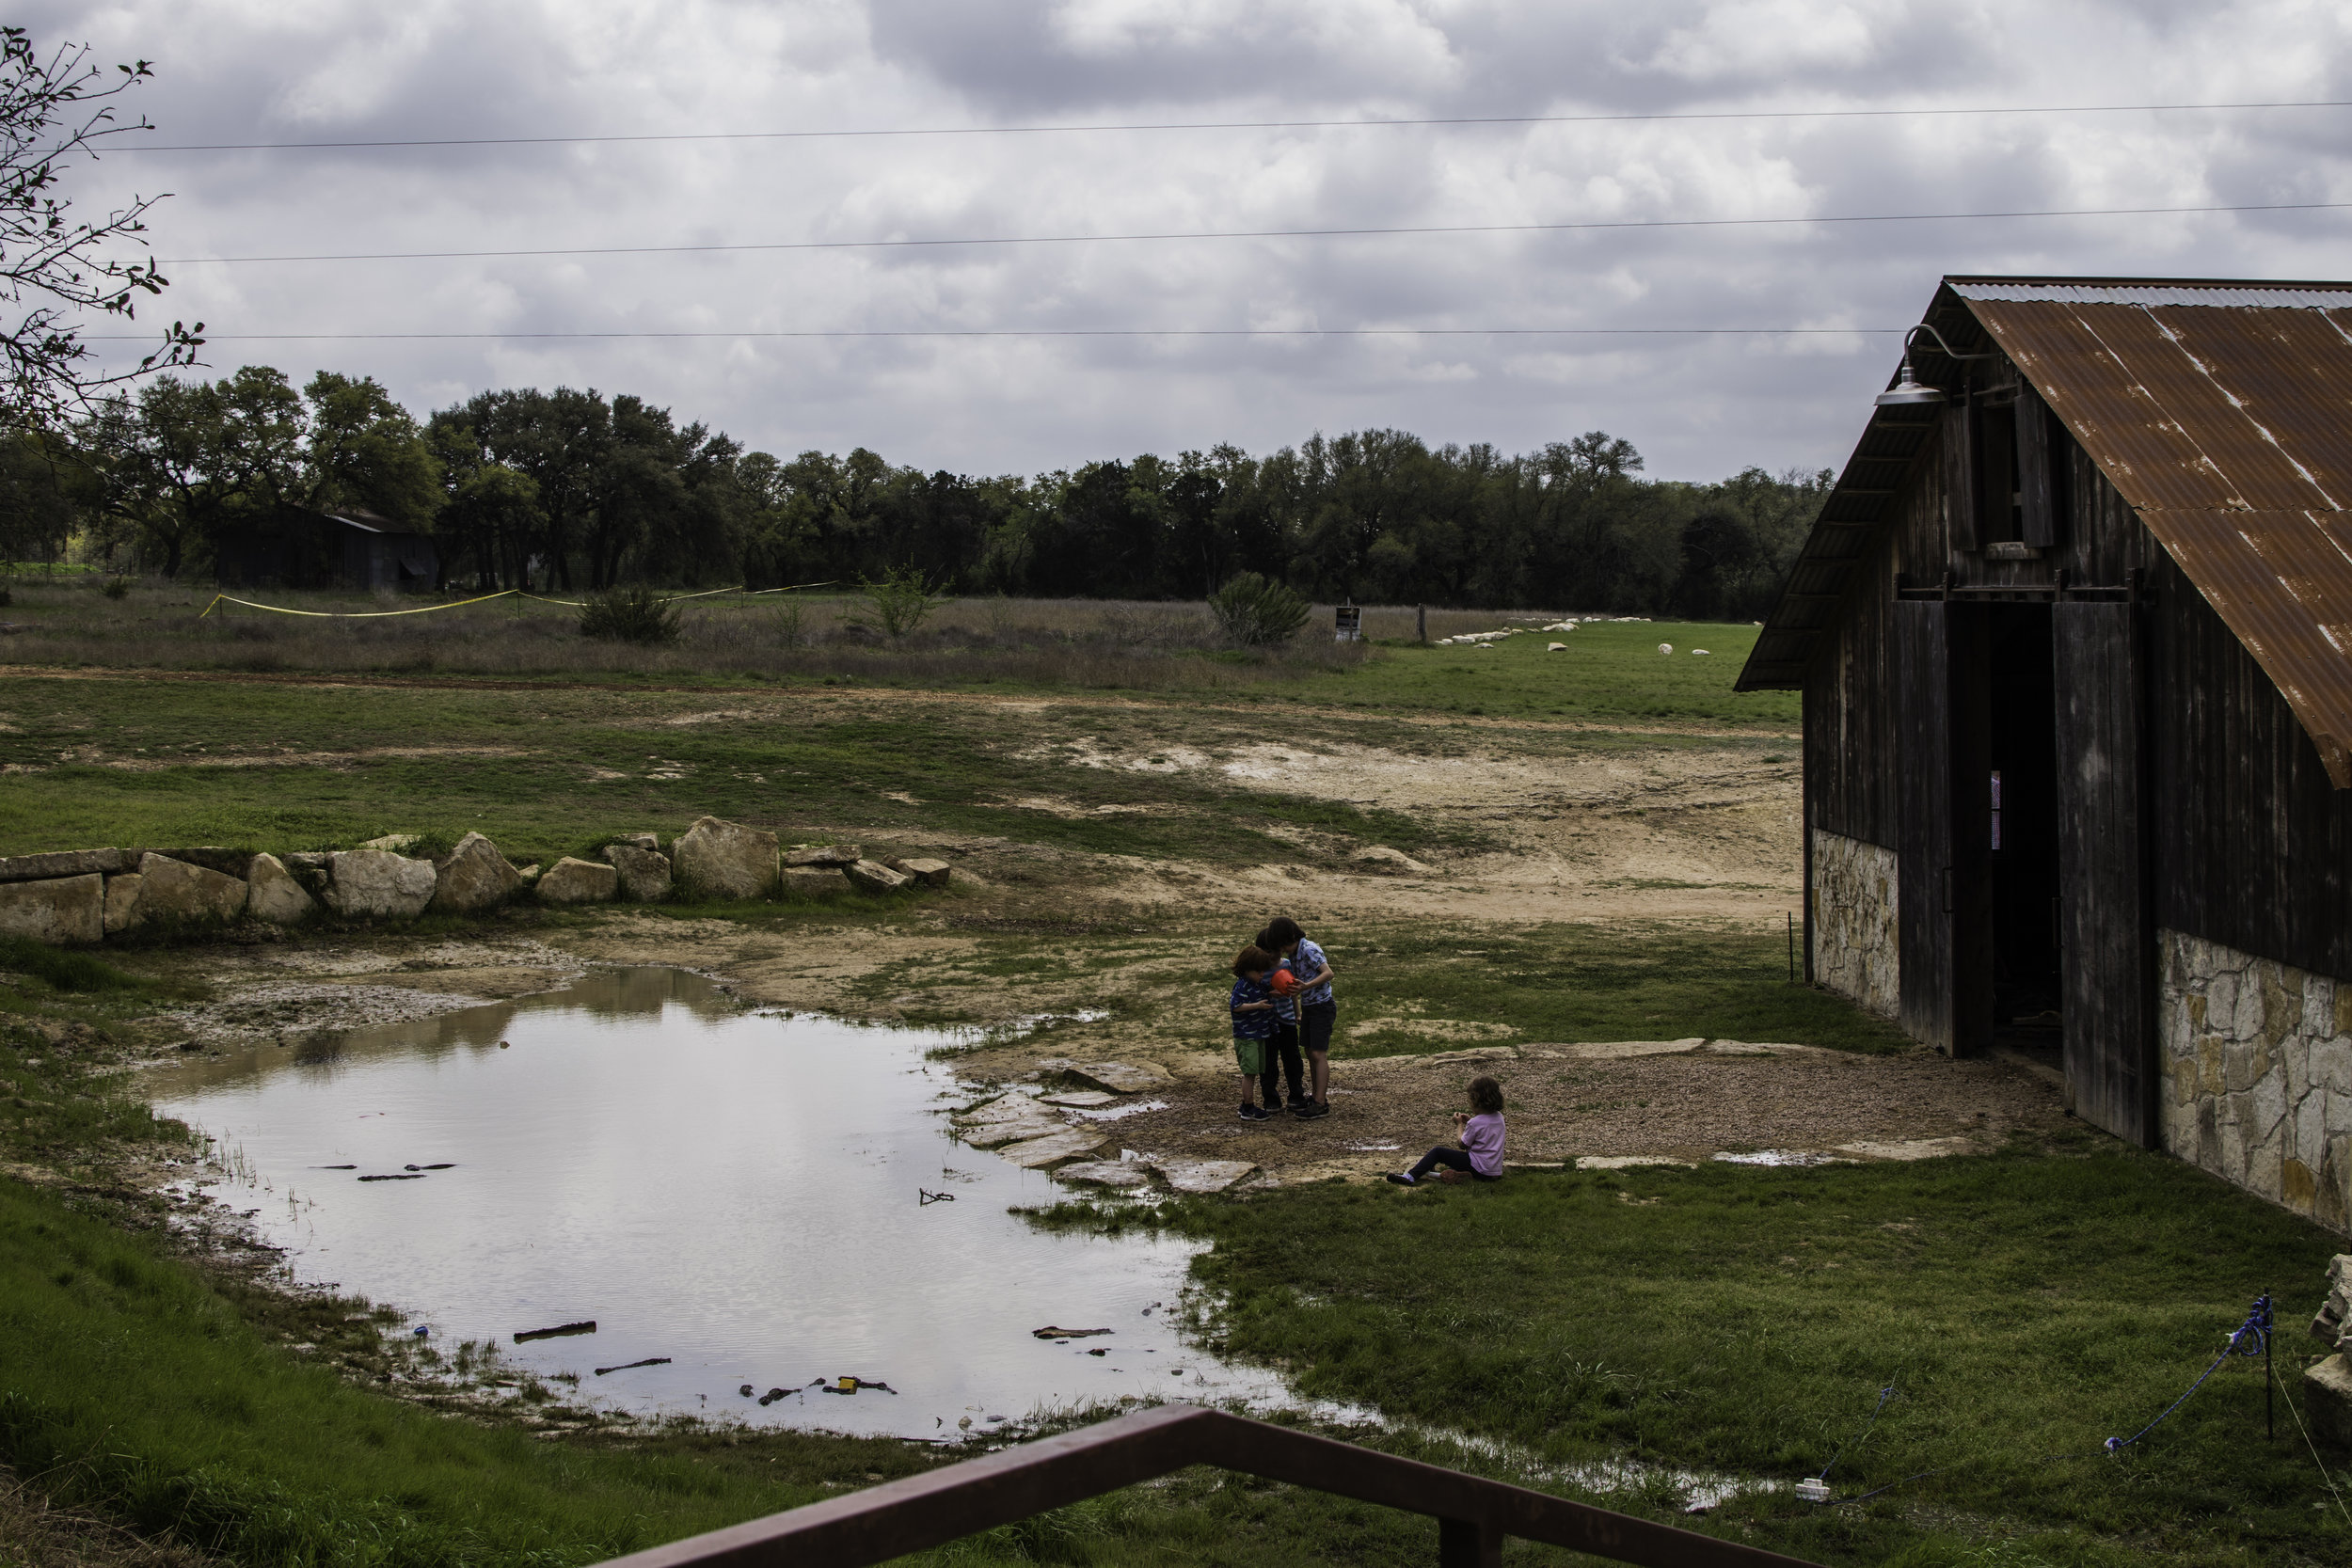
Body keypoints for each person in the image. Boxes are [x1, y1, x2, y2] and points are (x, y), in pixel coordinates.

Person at [1263, 916, 1335, 1117]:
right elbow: (1296, 983)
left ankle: (1320, 1103)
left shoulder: (1309, 949)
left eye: (1282, 945)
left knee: (1318, 1054)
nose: (1282, 951)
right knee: (1311, 1052)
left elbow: (1328, 973)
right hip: (1310, 1006)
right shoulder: (1294, 955)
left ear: (1288, 938)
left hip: (1321, 1006)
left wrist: (1305, 987)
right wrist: (1285, 991)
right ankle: (1316, 1097)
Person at [1387, 1076, 1505, 1185]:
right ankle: (1460, 1176)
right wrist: (1469, 1122)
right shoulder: (1499, 1117)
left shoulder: (1475, 1123)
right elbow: (1485, 1133)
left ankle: (1410, 1177)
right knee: (1463, 1160)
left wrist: (1459, 1125)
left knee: (1438, 1152)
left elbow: (1462, 1144)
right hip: (1493, 1171)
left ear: (1475, 1100)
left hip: (1478, 1167)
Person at [1254, 931, 1307, 1114]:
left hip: (1287, 1021)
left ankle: (1296, 1095)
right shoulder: (1258, 971)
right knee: (1268, 1062)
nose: (1271, 955)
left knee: (1292, 1059)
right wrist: (1267, 993)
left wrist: (1297, 1014)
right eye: (1266, 951)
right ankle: (1270, 1098)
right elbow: (1251, 993)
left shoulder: (1287, 966)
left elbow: (1293, 994)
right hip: (1266, 1023)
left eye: (1274, 950)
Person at [1228, 945, 1281, 1121]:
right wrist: (1257, 1006)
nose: (1262, 975)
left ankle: (1247, 1104)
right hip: (1247, 1036)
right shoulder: (1242, 985)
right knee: (1249, 1072)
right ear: (1247, 969)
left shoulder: (1257, 985)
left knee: (1255, 1070)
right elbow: (1235, 1006)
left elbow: (1264, 993)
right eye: (1259, 972)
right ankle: (1248, 1106)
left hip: (1259, 1034)